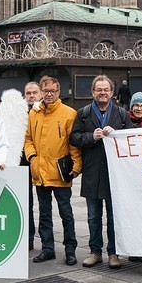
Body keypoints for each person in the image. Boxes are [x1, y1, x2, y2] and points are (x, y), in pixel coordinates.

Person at [71, 75, 131, 269]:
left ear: (112, 93)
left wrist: (117, 135)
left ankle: (113, 253)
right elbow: (74, 138)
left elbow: (131, 139)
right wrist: (91, 136)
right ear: (93, 92)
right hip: (92, 172)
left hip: (115, 175)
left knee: (114, 217)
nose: (103, 93)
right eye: (99, 90)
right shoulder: (83, 113)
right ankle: (95, 251)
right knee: (93, 216)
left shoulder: (122, 114)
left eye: (106, 90)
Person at [24, 75, 81, 266]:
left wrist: (76, 166)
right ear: (41, 92)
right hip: (40, 171)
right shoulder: (34, 113)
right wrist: (32, 157)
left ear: (59, 92)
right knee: (44, 212)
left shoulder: (69, 113)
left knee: (66, 212)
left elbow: (73, 143)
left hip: (60, 171)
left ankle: (70, 249)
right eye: (45, 91)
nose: (49, 94)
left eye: (53, 91)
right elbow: (28, 139)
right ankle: (48, 248)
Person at [22, 81, 42, 249]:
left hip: (41, 162)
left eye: (35, 92)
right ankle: (27, 237)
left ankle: (46, 241)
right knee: (25, 202)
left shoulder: (44, 111)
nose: (31, 95)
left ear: (40, 94)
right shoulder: (19, 113)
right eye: (28, 93)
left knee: (44, 204)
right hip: (23, 163)